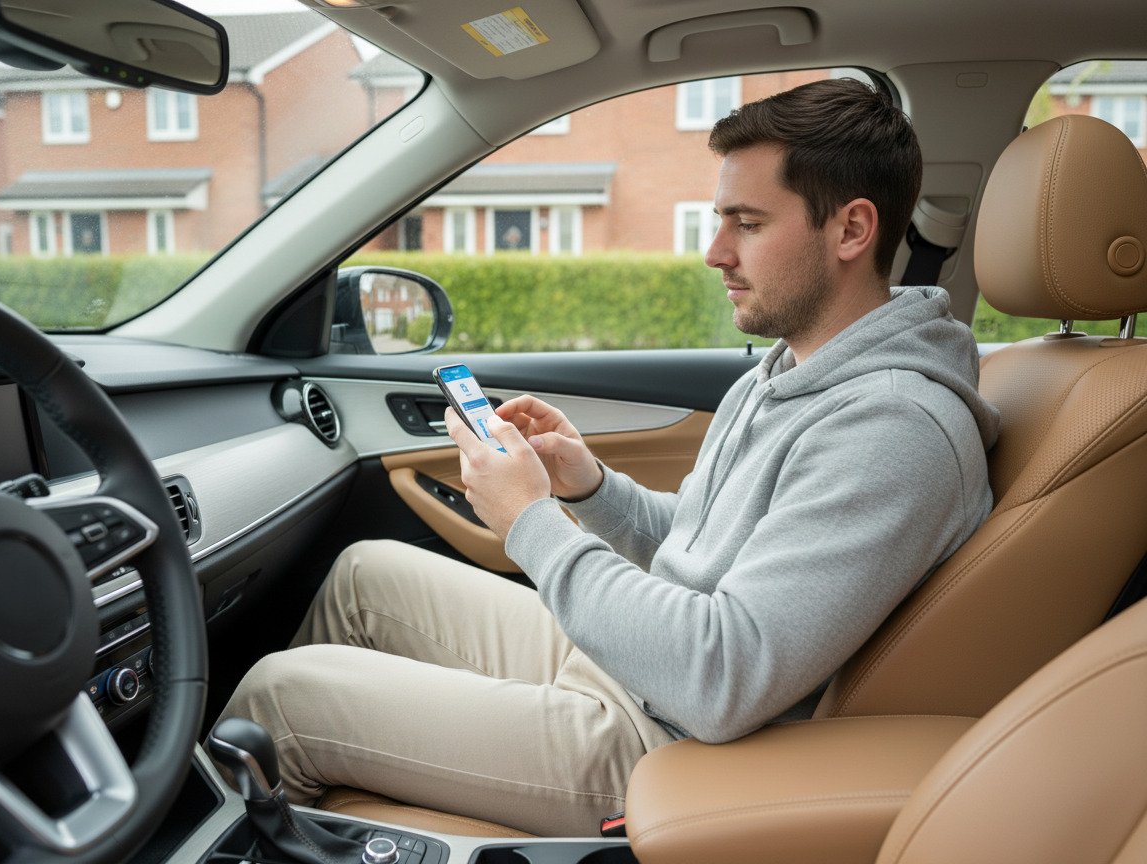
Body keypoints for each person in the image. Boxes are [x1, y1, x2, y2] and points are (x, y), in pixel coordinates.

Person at [214, 77, 999, 837]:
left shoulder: (892, 427)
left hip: (668, 741)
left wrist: (528, 518)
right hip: (637, 666)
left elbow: (722, 676)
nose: (713, 251)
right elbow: (702, 546)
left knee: (282, 696)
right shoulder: (791, 370)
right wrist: (586, 486)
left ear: (851, 231)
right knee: (363, 574)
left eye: (747, 223)